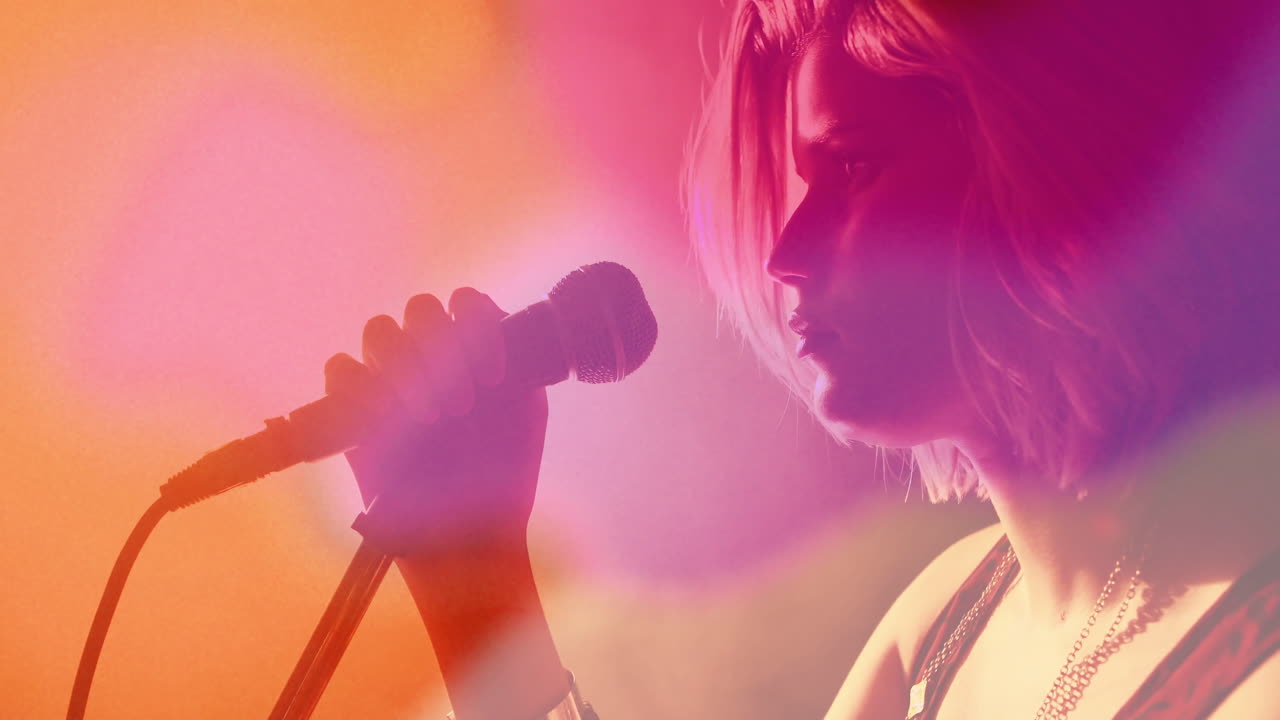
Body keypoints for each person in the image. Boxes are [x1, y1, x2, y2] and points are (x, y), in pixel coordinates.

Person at [321, 0, 1280, 717]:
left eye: (855, 166)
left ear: (1042, 165)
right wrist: (476, 586)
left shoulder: (1249, 655)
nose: (786, 250)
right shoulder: (941, 631)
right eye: (796, 180)